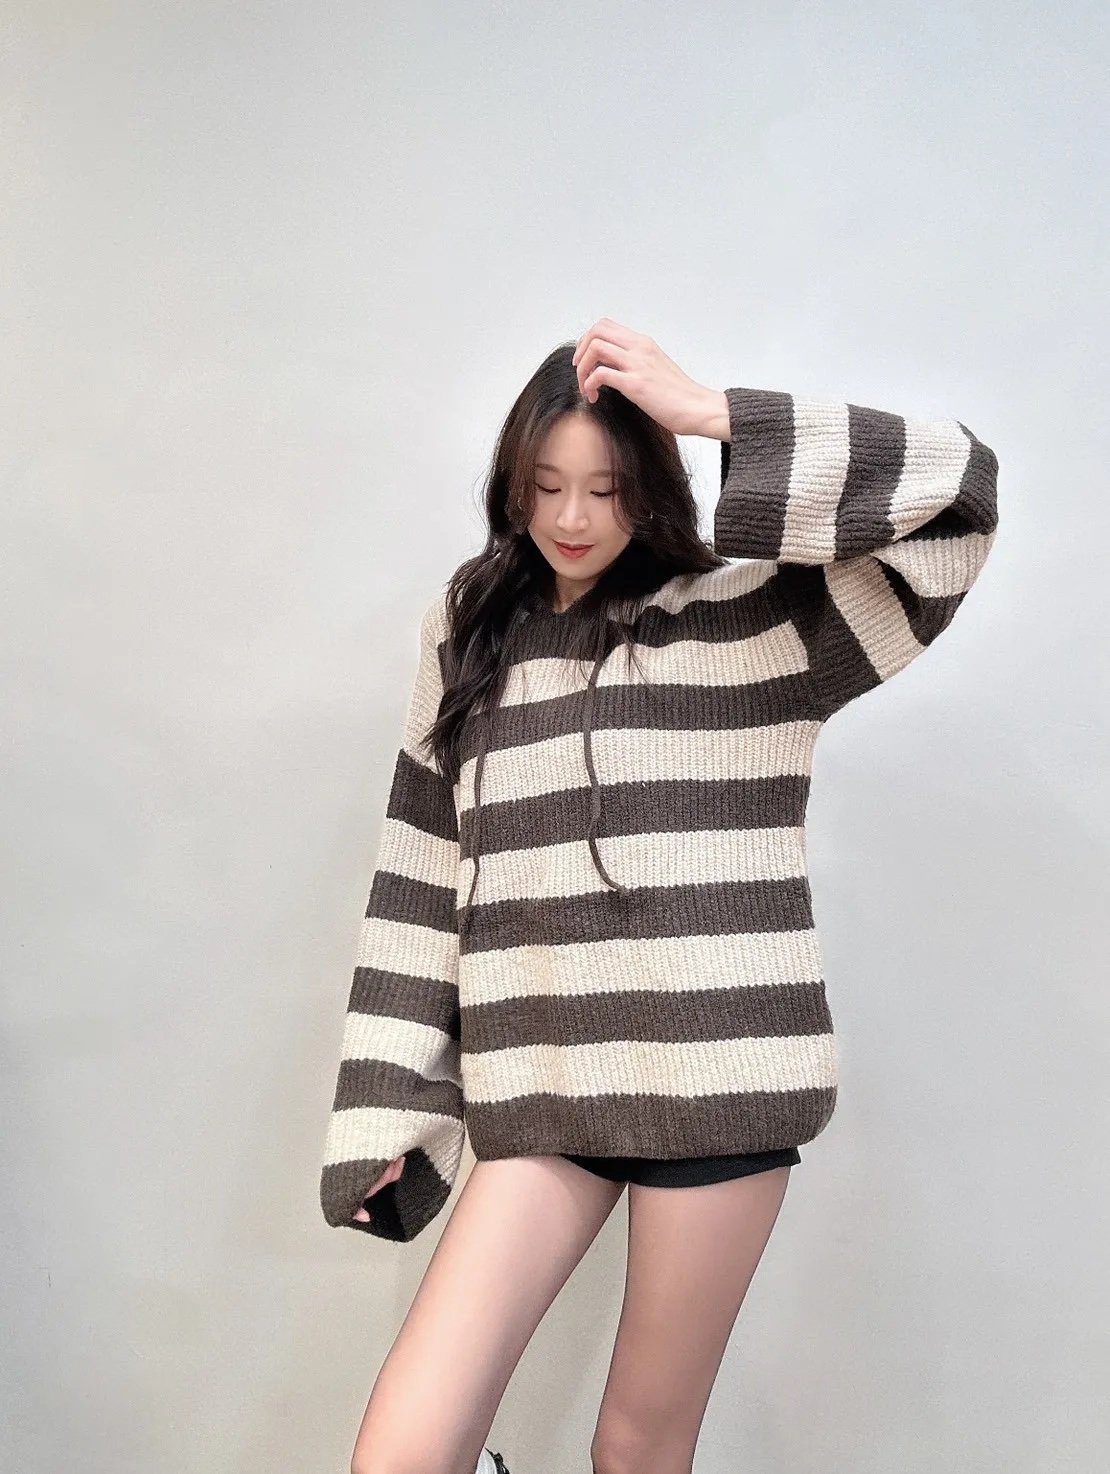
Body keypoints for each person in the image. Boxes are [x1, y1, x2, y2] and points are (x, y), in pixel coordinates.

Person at [319, 318, 1000, 1474]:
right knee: (402, 1454)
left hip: (717, 1088)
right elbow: (423, 872)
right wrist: (389, 1105)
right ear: (511, 485)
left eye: (606, 488)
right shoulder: (469, 633)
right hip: (545, 1089)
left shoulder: (757, 620)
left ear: (653, 485)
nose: (573, 517)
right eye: (545, 487)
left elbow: (961, 495)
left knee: (637, 1450)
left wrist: (714, 412)